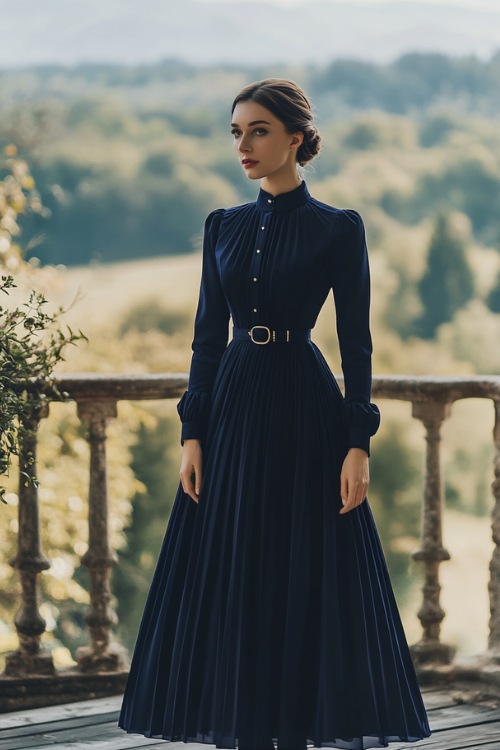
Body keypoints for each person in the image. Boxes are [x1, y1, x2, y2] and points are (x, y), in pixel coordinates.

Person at [119, 78, 431, 750]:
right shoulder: (222, 226)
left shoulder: (338, 229)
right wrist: (192, 432)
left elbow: (357, 342)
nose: (244, 145)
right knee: (234, 574)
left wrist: (358, 442)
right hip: (232, 407)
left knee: (297, 574)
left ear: (296, 137)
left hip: (303, 409)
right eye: (236, 132)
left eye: (258, 130)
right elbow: (205, 337)